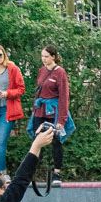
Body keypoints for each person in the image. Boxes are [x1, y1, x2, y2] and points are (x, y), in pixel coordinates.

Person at [30, 44, 72, 181]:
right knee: (36, 140)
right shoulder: (42, 70)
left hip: (53, 112)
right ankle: (31, 170)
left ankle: (57, 172)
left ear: (53, 57)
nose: (44, 59)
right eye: (42, 56)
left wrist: (61, 119)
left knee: (56, 141)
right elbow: (38, 91)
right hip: (40, 110)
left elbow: (64, 96)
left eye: (46, 56)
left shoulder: (60, 72)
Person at [0, 43, 24, 176]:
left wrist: (8, 93)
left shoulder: (12, 69)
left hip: (7, 110)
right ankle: (4, 173)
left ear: (4, 55)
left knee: (1, 141)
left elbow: (21, 89)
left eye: (0, 55)